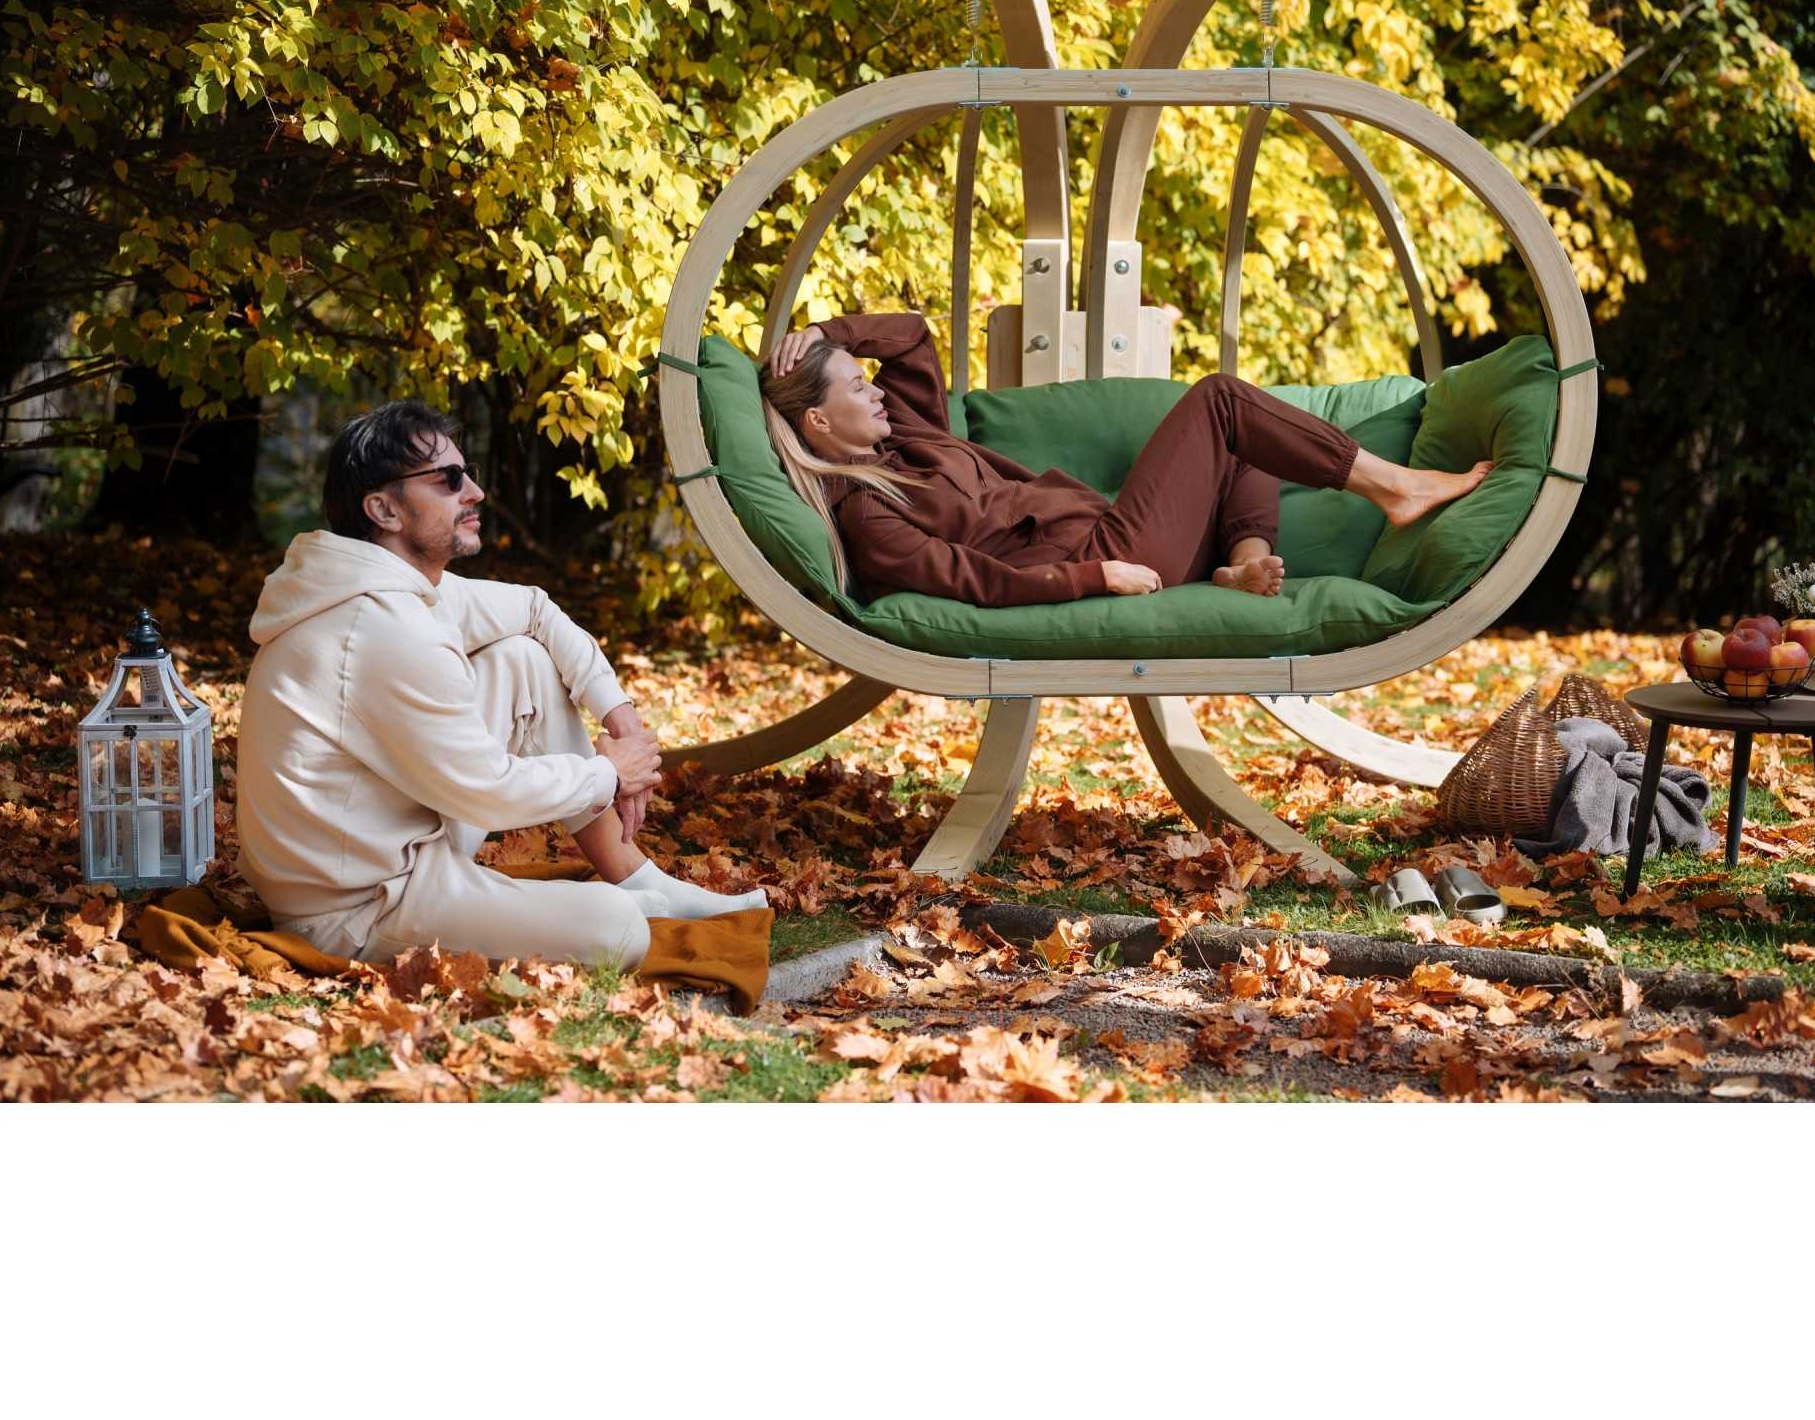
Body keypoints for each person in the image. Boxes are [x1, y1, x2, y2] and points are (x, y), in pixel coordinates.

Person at [236, 401, 764, 971]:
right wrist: (609, 773)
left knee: (522, 661)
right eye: (448, 480)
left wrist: (620, 716)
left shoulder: (392, 583)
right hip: (355, 908)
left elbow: (535, 609)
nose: (475, 493)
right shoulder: (382, 628)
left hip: (405, 842)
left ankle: (635, 876)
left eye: (469, 473)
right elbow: (487, 789)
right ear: (383, 509)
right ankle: (613, 903)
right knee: (620, 930)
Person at [759, 314, 1493, 607]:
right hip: (1105, 554)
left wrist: (828, 332)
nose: (874, 389)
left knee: (1252, 429)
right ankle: (1394, 487)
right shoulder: (869, 511)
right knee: (1223, 402)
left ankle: (1242, 562)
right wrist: (1092, 576)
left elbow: (913, 338)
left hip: (1117, 533)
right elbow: (967, 579)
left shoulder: (905, 436)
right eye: (856, 385)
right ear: (817, 420)